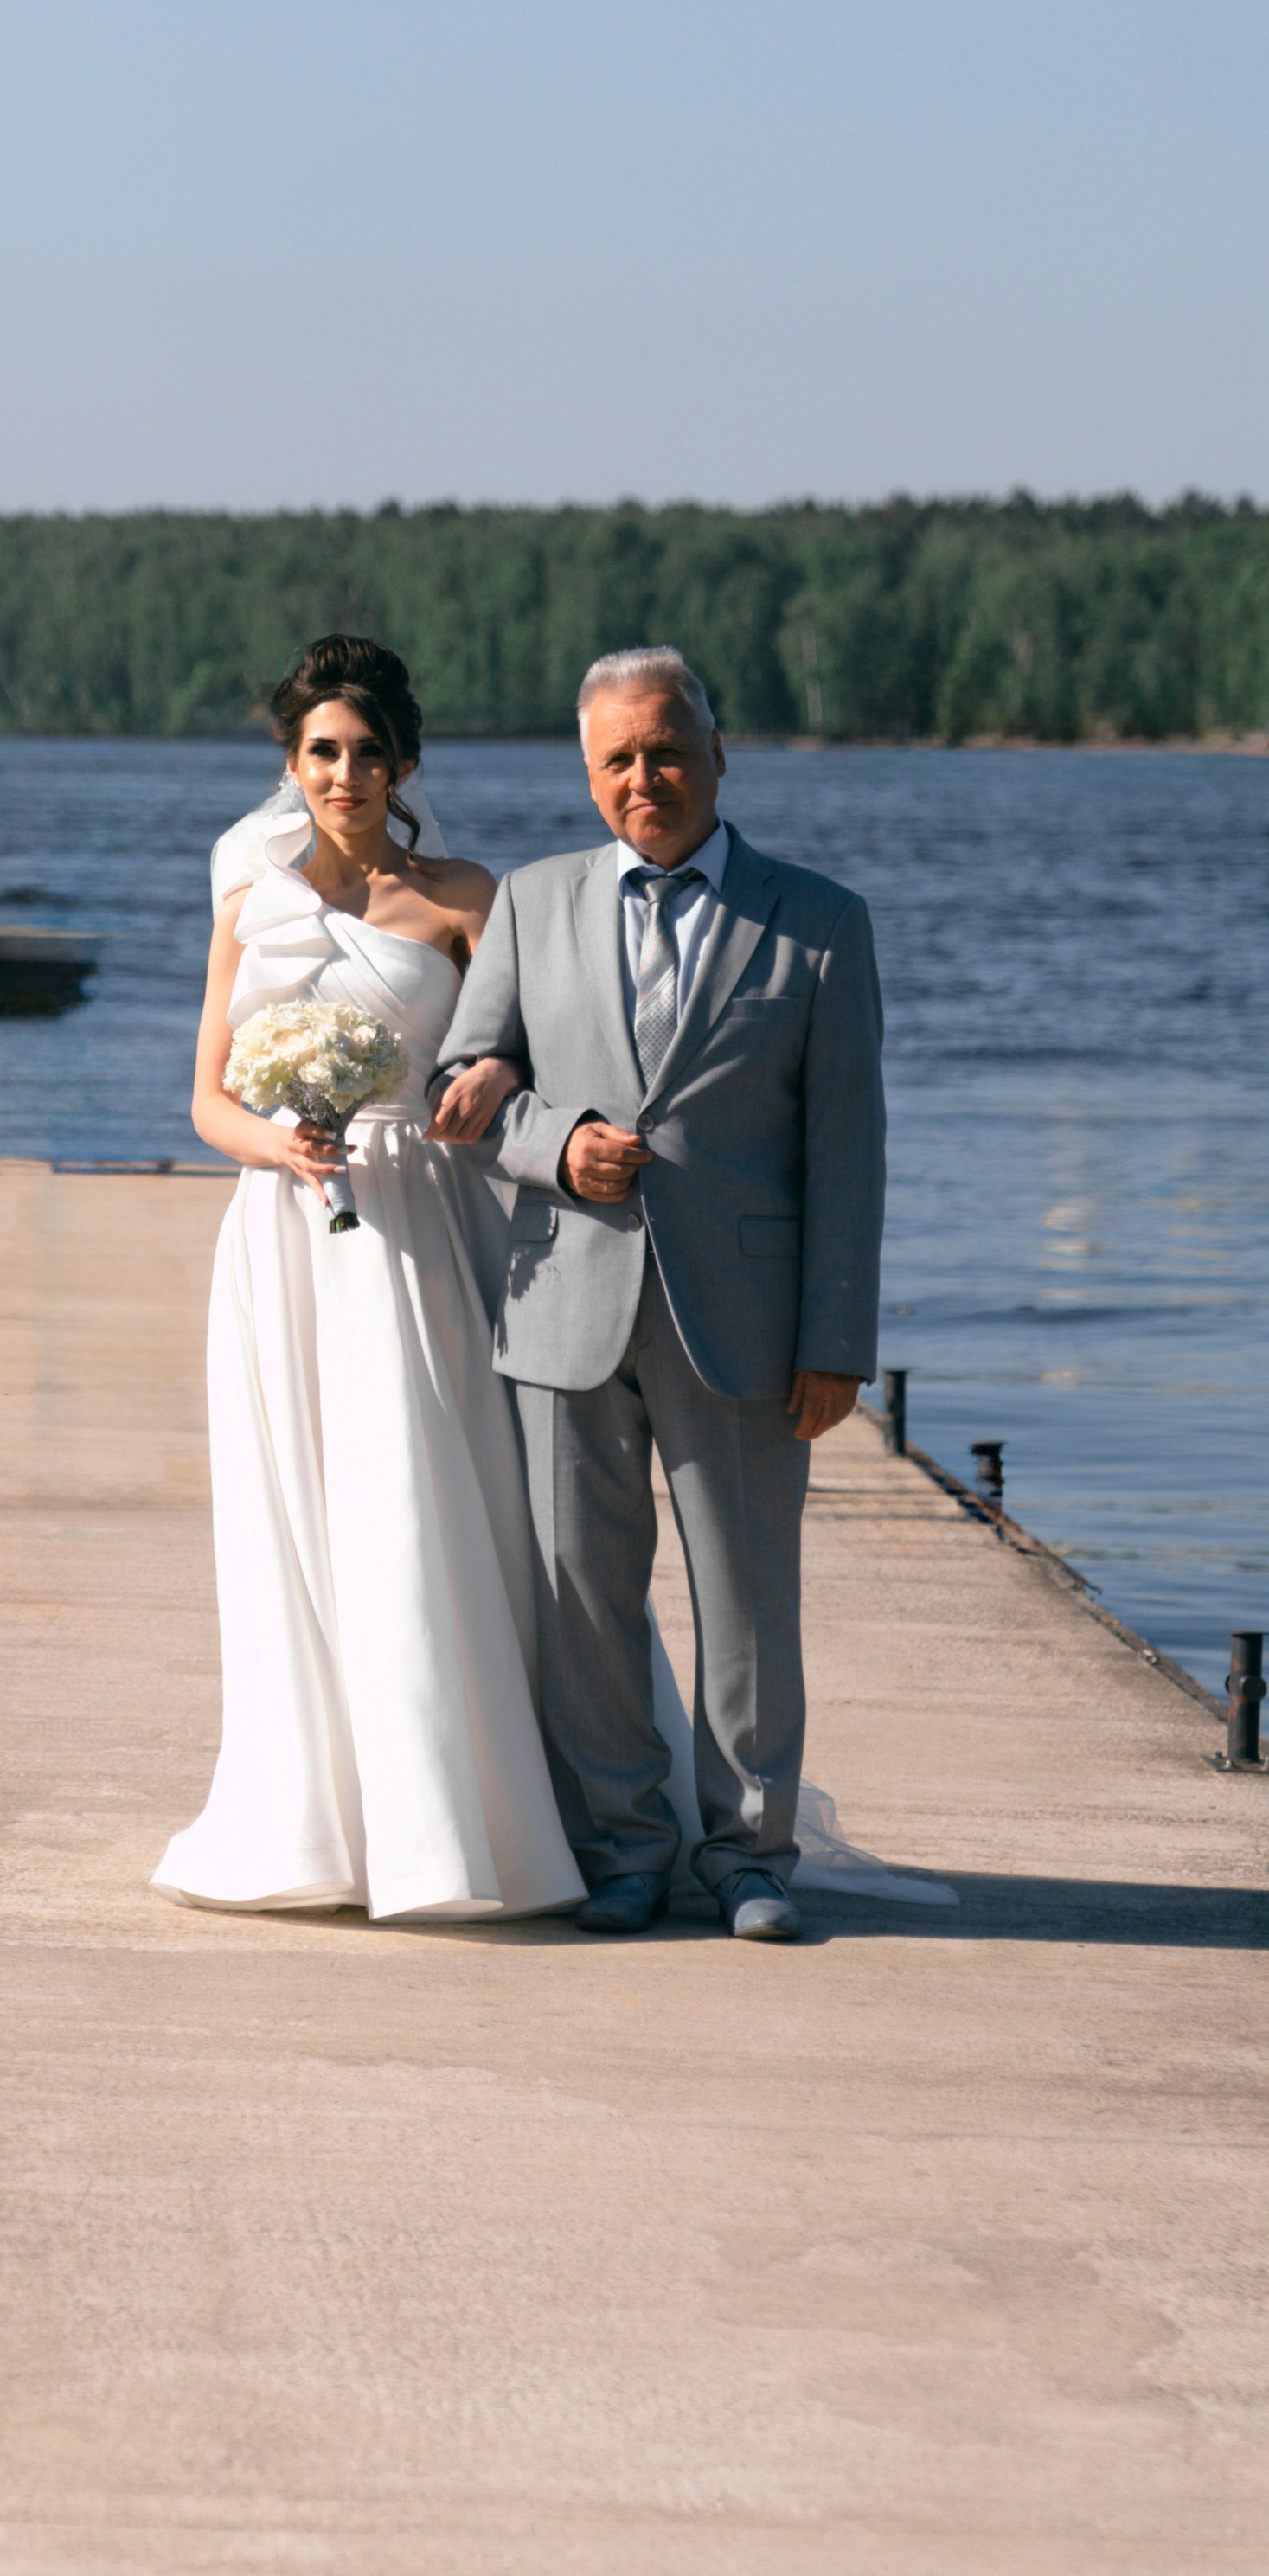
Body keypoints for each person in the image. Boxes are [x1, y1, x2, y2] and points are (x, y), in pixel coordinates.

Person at [429, 646, 887, 1943]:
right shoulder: (530, 902)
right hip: (563, 1301)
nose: (648, 778)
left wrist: (837, 1337)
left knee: (748, 1598)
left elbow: (849, 1150)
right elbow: (468, 1078)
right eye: (620, 759)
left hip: (743, 1322)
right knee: (584, 1599)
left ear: (719, 754)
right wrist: (556, 1141)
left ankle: (749, 1857)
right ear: (589, 776)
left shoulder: (820, 922)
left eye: (669, 750)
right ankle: (624, 1847)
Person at [151, 634, 585, 1921]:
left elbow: (527, 1059)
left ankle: (456, 1821)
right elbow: (205, 1103)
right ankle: (313, 1823)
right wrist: (279, 1144)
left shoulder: (465, 897)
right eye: (320, 754)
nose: (345, 775)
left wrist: (483, 1082)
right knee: (297, 1512)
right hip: (283, 1238)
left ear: (403, 764)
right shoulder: (251, 906)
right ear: (292, 766)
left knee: (420, 1499)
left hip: (419, 1227)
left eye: (366, 753)